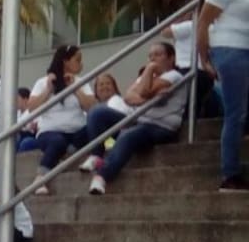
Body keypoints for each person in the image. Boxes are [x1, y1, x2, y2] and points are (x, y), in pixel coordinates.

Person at [85, 42, 189, 195]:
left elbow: (144, 91)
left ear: (171, 58)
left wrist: (149, 71)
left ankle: (101, 177)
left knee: (127, 135)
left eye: (158, 55)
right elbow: (128, 97)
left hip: (161, 126)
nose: (152, 59)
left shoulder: (174, 75)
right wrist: (147, 99)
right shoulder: (146, 77)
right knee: (97, 112)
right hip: (139, 119)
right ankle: (96, 154)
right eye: (150, 56)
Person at [197, 0, 249, 192]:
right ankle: (230, 174)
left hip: (245, 50)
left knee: (240, 112)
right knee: (235, 113)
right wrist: (204, 58)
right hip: (229, 50)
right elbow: (203, 22)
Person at [27, 45, 96, 195]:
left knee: (94, 128)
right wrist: (48, 90)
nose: (81, 64)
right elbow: (31, 107)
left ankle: (64, 154)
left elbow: (91, 107)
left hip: (77, 131)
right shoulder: (43, 82)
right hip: (50, 132)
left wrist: (75, 87)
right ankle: (40, 178)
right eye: (77, 60)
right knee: (57, 142)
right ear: (65, 61)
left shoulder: (81, 82)